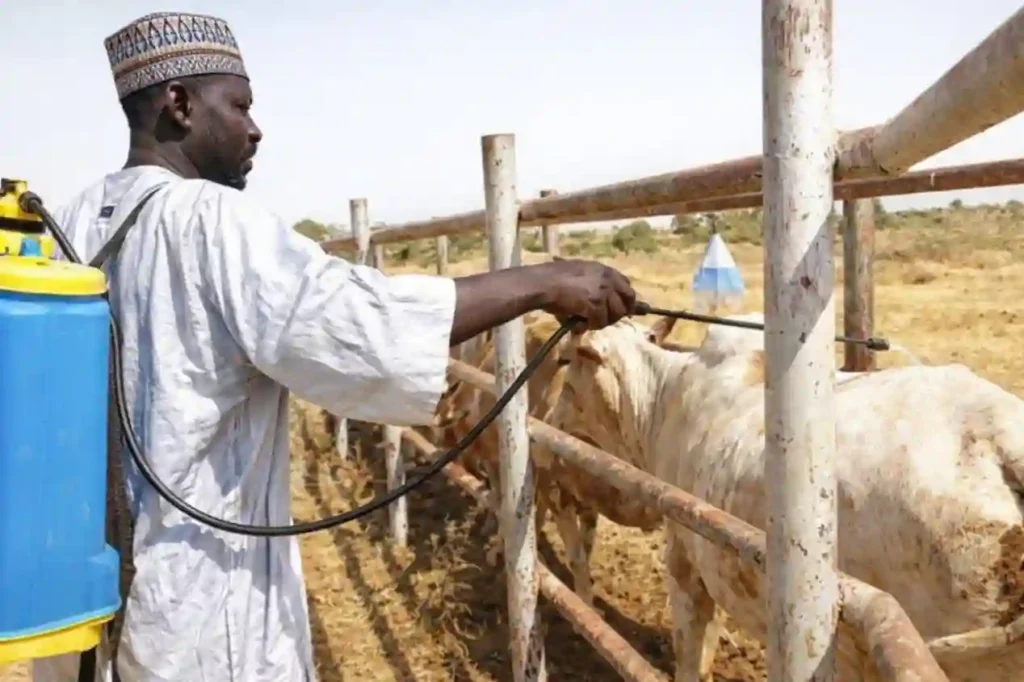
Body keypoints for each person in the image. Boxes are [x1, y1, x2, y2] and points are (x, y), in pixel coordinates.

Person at [30, 11, 637, 682]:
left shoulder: (69, 221)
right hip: (196, 610)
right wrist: (546, 282)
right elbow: (364, 327)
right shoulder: (211, 221)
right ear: (179, 104)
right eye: (240, 106)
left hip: (78, 604)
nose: (255, 129)